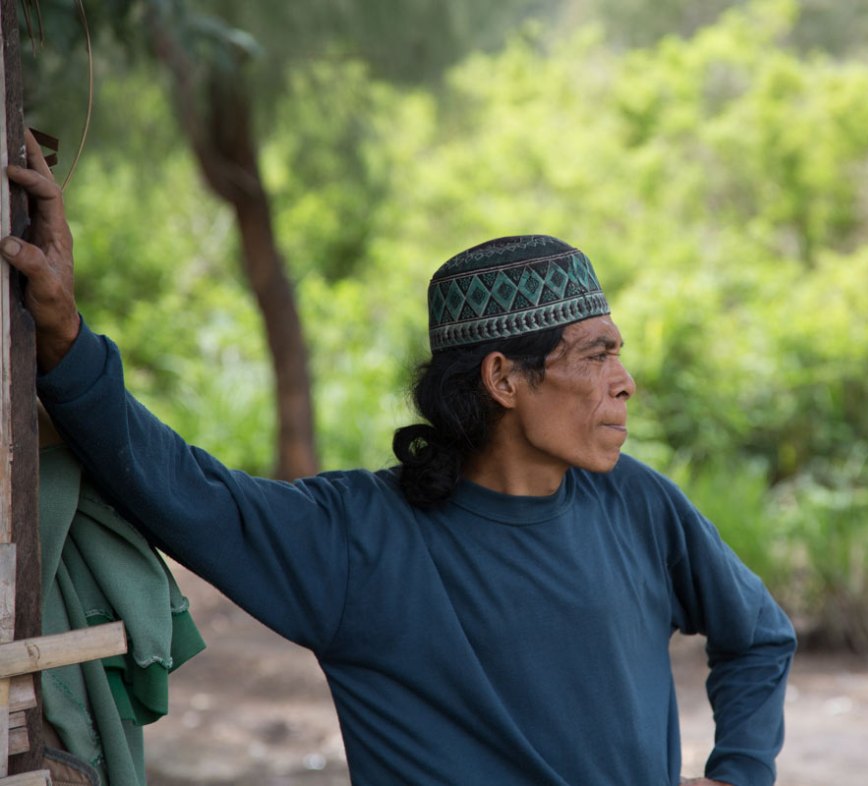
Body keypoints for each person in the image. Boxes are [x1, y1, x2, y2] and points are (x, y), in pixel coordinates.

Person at [4, 129, 796, 786]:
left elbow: (758, 636)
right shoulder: (358, 538)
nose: (624, 383)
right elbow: (184, 489)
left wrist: (739, 772)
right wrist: (64, 336)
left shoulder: (640, 505)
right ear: (503, 379)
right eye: (595, 356)